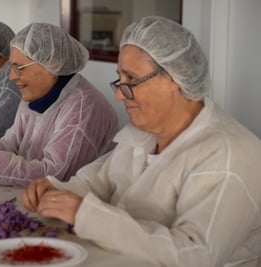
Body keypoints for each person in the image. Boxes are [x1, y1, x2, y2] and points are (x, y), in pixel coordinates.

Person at [21, 16, 261, 267]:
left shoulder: (229, 154)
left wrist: (86, 215)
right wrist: (58, 192)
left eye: (131, 80)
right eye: (119, 79)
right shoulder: (145, 130)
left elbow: (195, 254)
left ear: (173, 79)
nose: (118, 94)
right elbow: (96, 182)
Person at [0, 23, 119, 187]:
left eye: (19, 68)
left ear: (52, 64)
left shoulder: (83, 108)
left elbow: (54, 176)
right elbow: (13, 145)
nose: (12, 77)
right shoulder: (36, 93)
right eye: (11, 67)